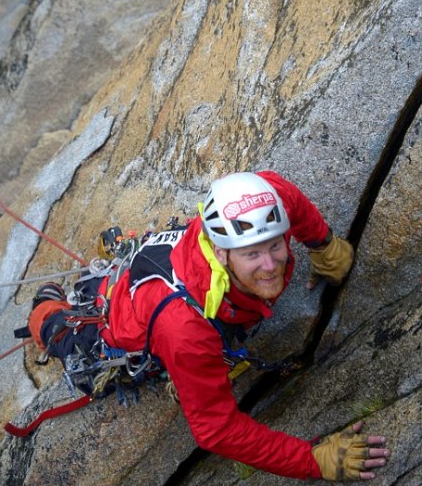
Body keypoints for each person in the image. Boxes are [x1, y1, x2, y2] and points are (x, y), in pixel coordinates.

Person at [28, 171, 391, 481]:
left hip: (159, 273)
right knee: (52, 327)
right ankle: (46, 300)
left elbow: (283, 191)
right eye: (251, 253)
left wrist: (324, 245)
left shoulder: (258, 200)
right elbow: (215, 429)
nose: (270, 265)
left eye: (275, 245)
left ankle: (116, 259)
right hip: (110, 328)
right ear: (220, 252)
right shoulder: (185, 330)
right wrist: (313, 461)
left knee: (132, 275)